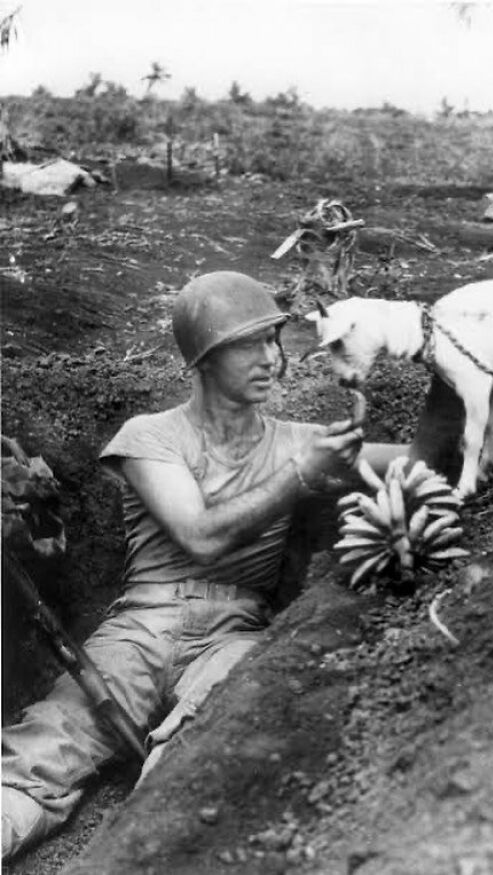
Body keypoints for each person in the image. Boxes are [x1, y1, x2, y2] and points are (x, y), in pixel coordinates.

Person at [1, 271, 408, 861]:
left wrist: (482, 397)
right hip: (141, 629)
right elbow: (201, 535)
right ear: (204, 359)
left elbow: (428, 461)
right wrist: (301, 474)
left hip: (236, 636)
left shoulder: (302, 441)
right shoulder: (150, 436)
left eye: (273, 340)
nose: (271, 358)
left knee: (201, 760)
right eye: (249, 345)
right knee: (41, 754)